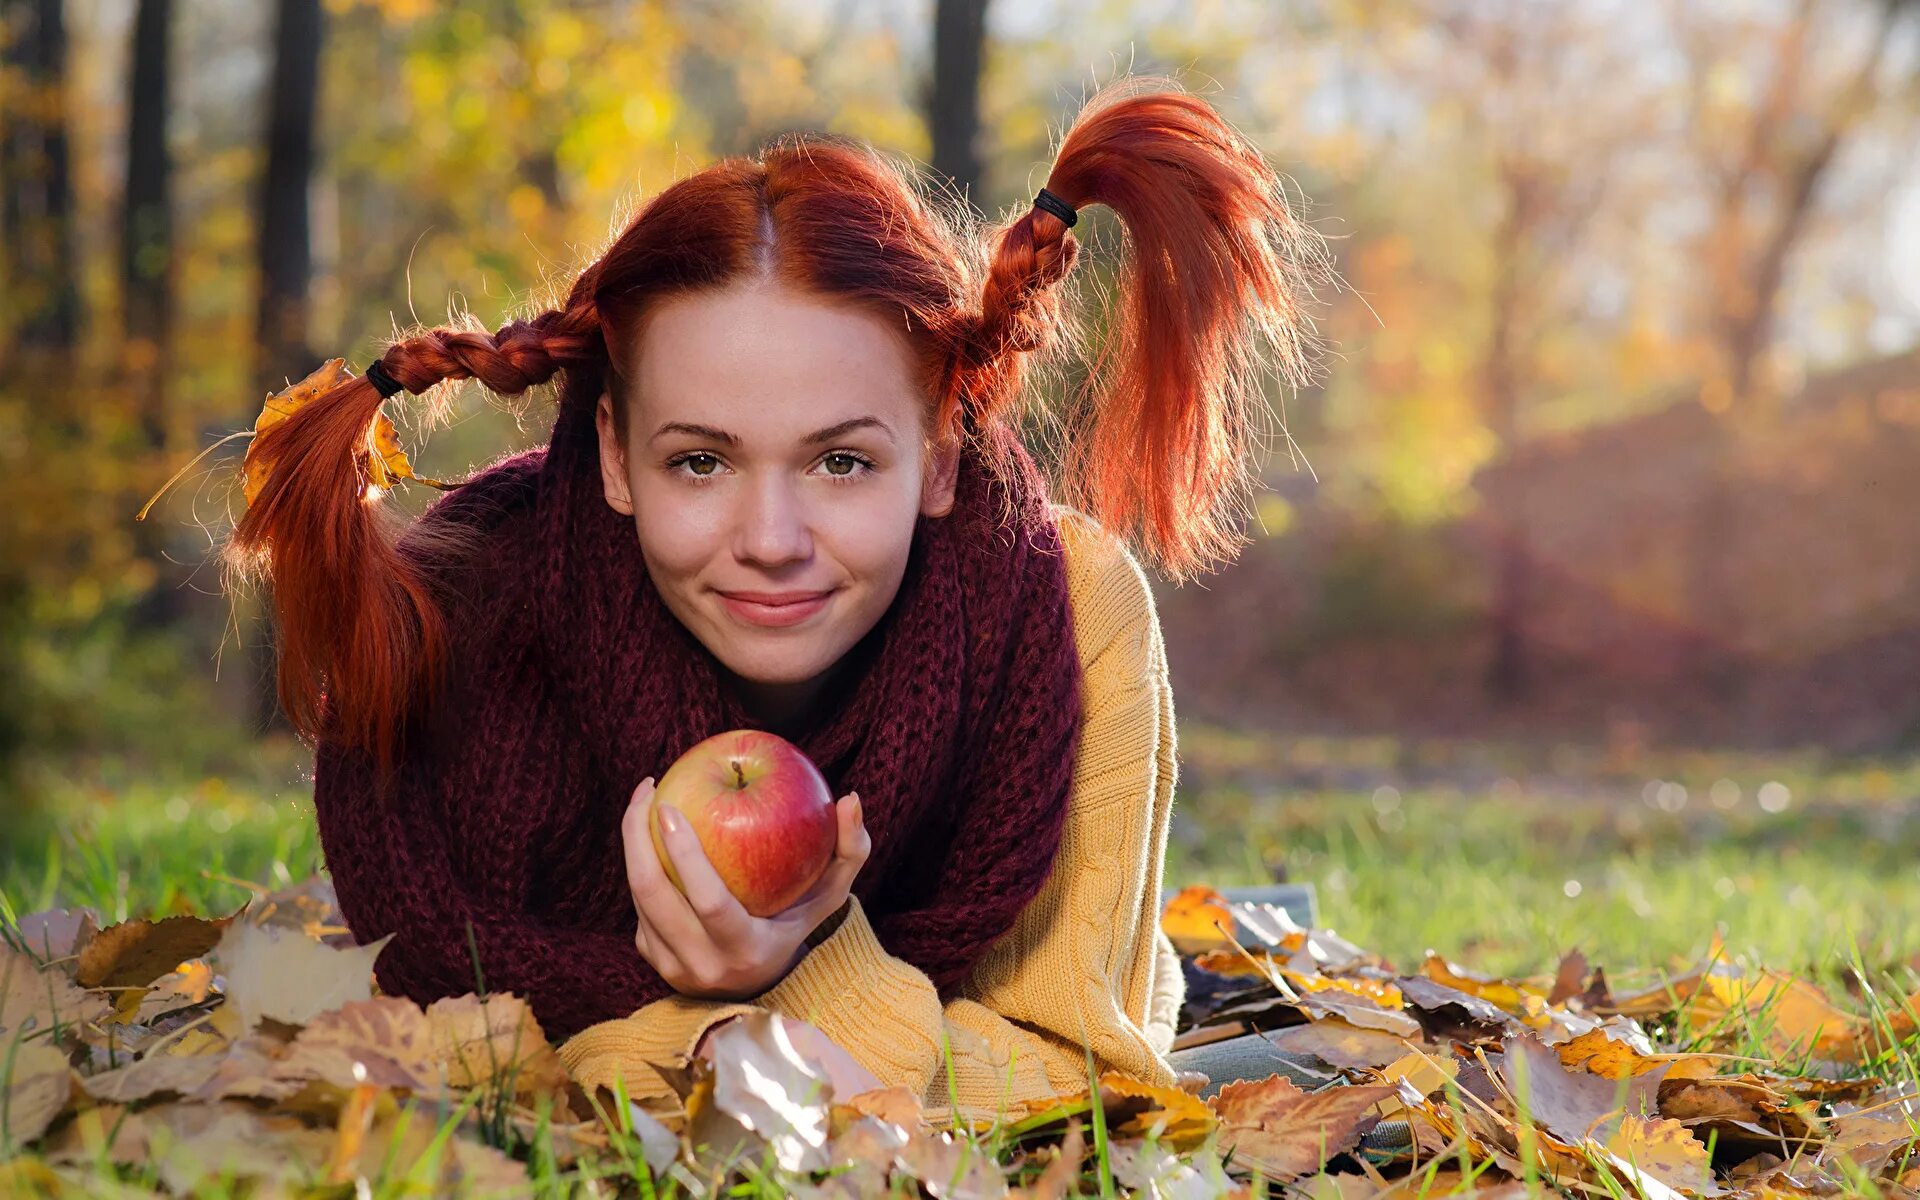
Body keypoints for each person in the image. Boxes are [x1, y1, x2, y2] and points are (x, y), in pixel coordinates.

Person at [226, 74, 1333, 1124]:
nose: (770, 544)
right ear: (614, 454)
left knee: (1198, 985)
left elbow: (1079, 1090)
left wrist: (788, 976)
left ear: (942, 452)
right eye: (699, 463)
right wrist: (756, 1035)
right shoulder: (459, 612)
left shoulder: (1068, 610)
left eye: (841, 463)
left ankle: (1237, 931)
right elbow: (429, 1044)